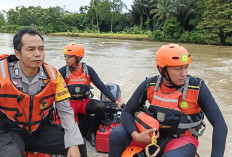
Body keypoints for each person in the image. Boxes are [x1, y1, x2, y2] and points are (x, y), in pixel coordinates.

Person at [109, 43, 228, 157]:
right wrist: (136, 136)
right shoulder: (149, 84)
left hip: (182, 140)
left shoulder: (198, 88)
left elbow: (220, 125)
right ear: (162, 70)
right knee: (116, 134)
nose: (184, 73)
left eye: (186, 67)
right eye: (178, 69)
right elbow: (127, 112)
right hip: (154, 136)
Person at [0, 27, 85, 157]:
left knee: (79, 146)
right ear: (17, 53)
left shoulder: (53, 75)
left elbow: (66, 112)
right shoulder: (1, 73)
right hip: (10, 131)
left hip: (40, 130)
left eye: (41, 49)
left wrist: (73, 144)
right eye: (31, 49)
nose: (38, 54)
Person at [59, 43, 123, 147]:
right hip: (71, 103)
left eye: (69, 57)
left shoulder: (88, 70)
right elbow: (53, 88)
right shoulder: (62, 71)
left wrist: (116, 102)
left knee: (100, 107)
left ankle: (92, 132)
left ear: (78, 57)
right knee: (60, 112)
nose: (66, 59)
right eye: (65, 56)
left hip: (84, 102)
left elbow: (101, 86)